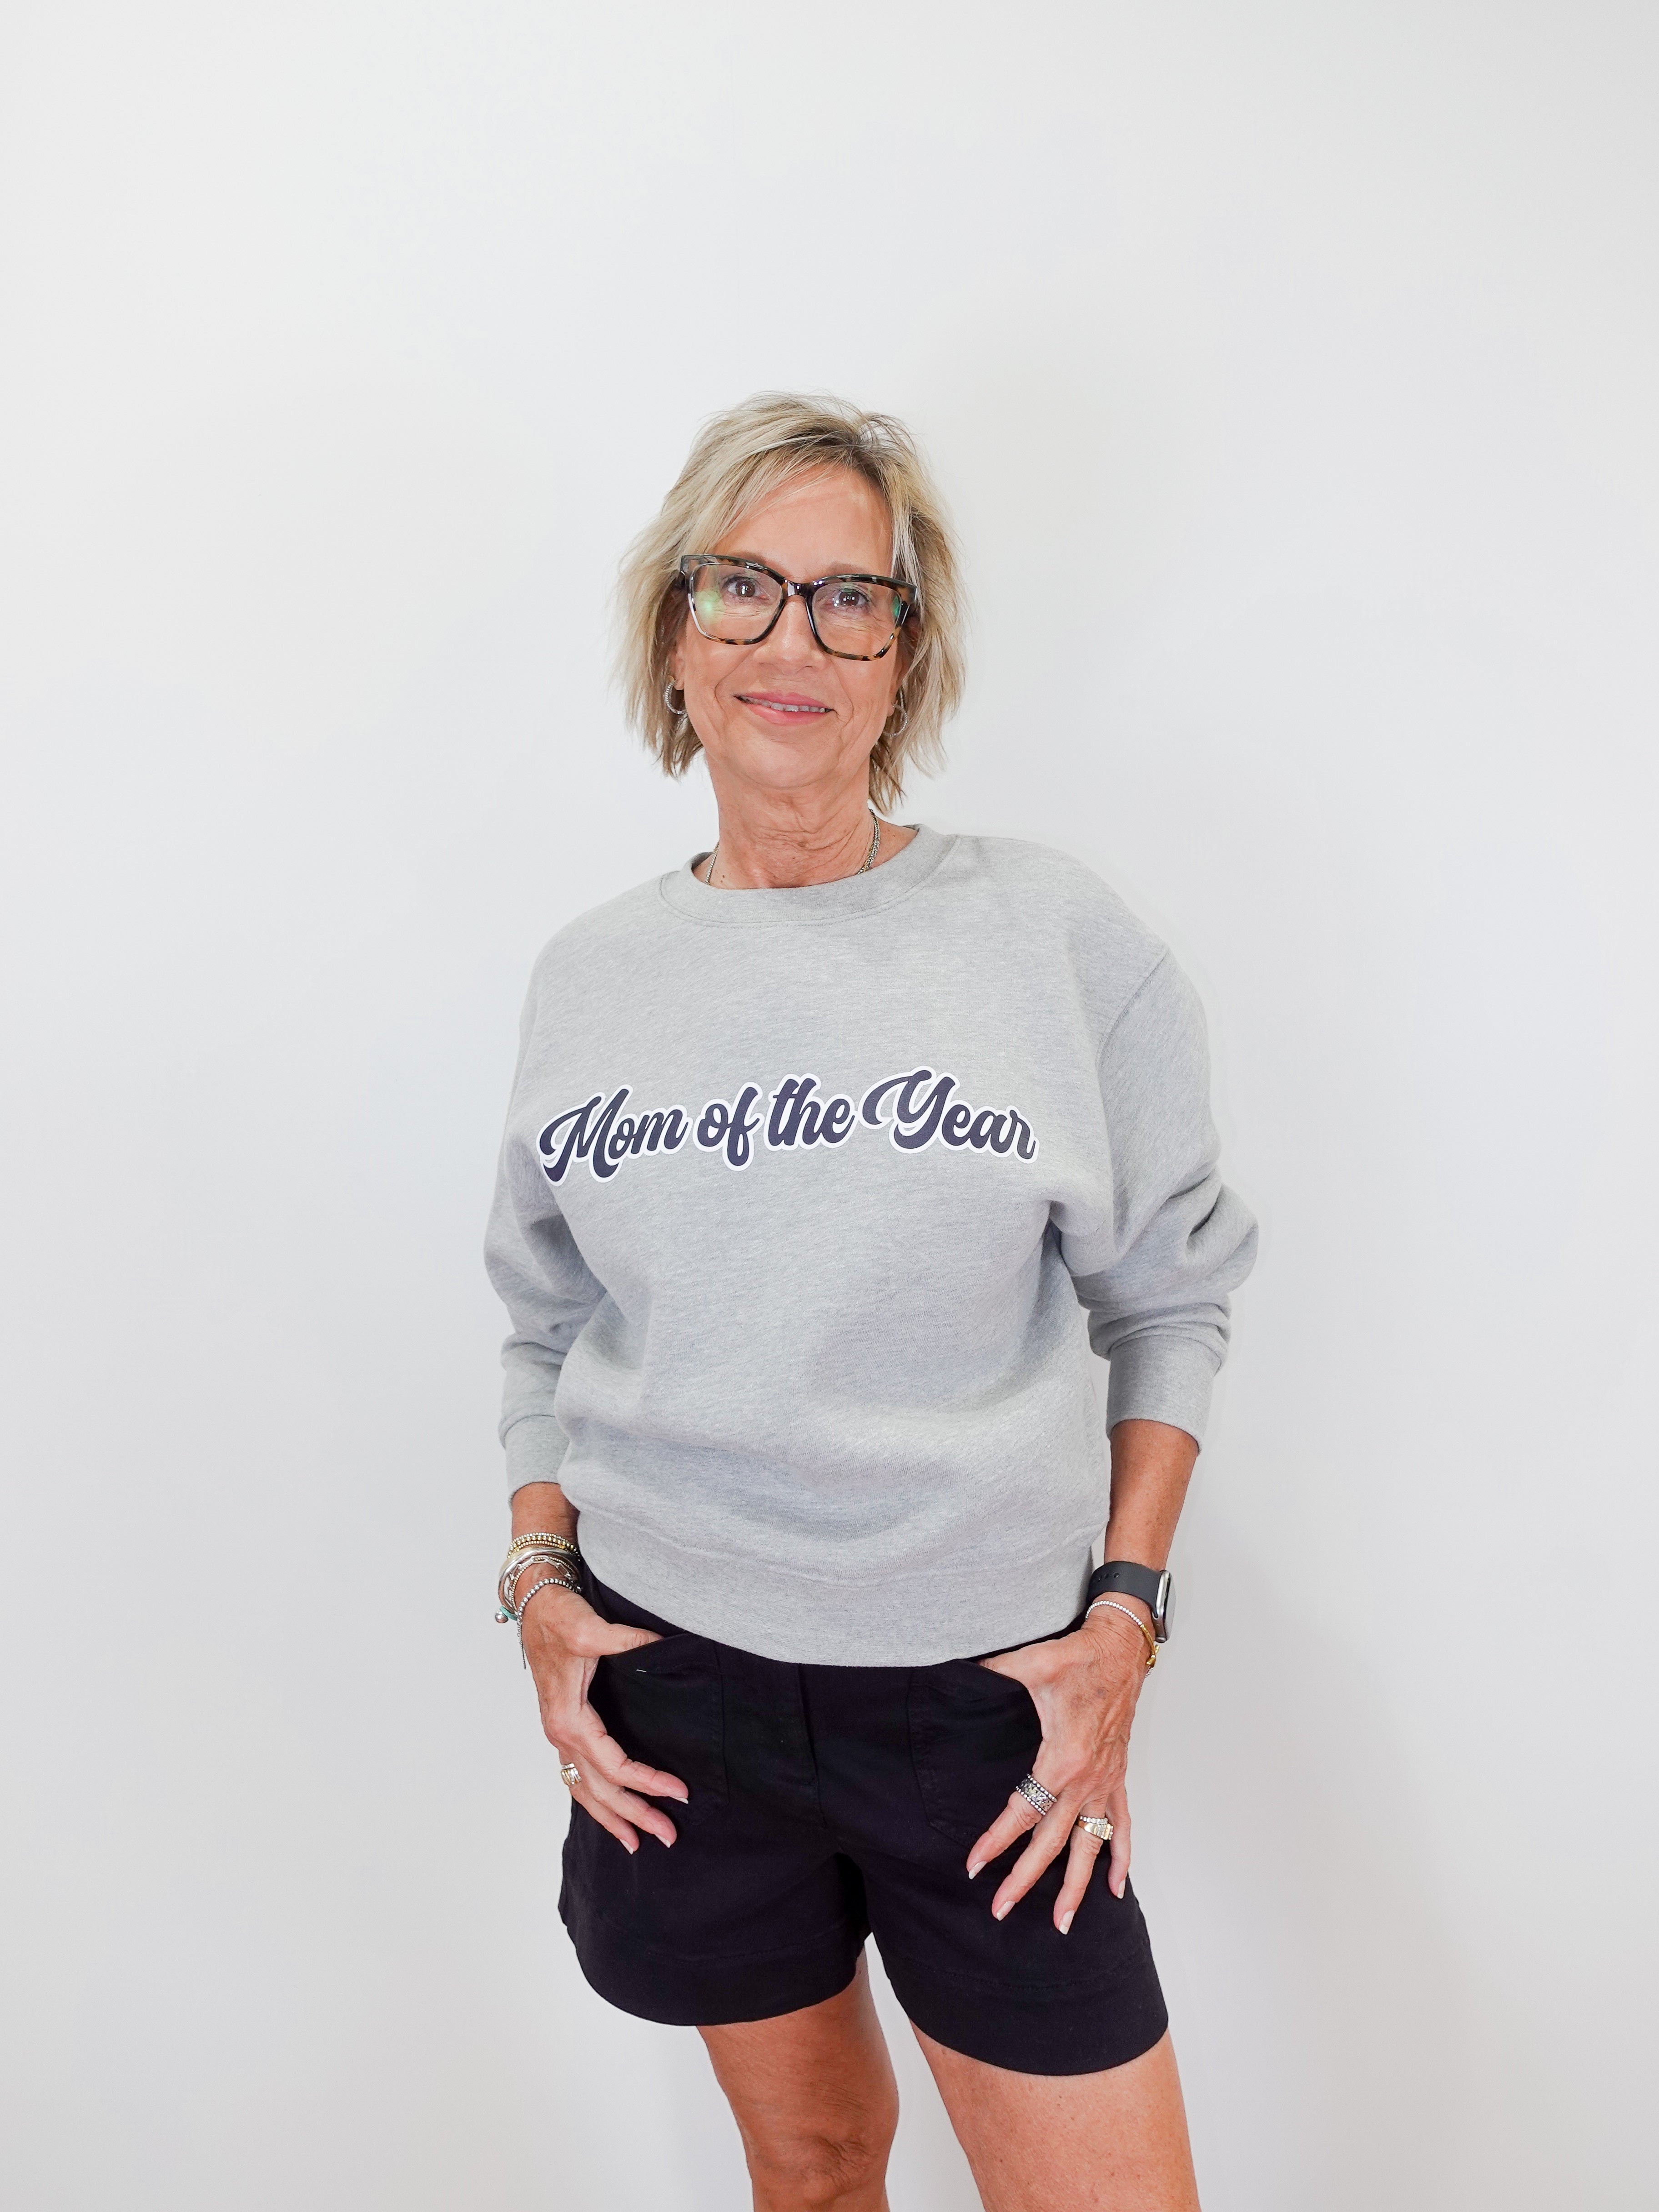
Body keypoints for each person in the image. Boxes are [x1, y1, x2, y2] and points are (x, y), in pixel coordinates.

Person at [484, 392, 1256, 2212]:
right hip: (675, 1697)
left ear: (906, 658)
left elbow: (1172, 1301)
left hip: (979, 1704)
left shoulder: (1055, 940)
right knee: (820, 2163)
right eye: (742, 586)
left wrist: (1127, 1616)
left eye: (853, 599)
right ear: (675, 637)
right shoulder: (590, 978)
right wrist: (537, 1581)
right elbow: (544, 1325)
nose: (794, 640)